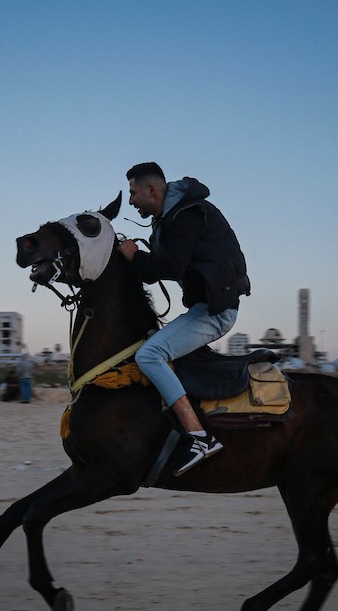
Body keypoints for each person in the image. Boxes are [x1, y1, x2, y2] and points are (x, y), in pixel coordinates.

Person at [118, 162, 251, 476]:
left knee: (150, 354)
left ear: (153, 189)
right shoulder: (170, 217)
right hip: (202, 308)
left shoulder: (185, 213)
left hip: (215, 312)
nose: (132, 201)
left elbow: (171, 267)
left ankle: (199, 437)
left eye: (134, 193)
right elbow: (158, 269)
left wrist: (133, 255)